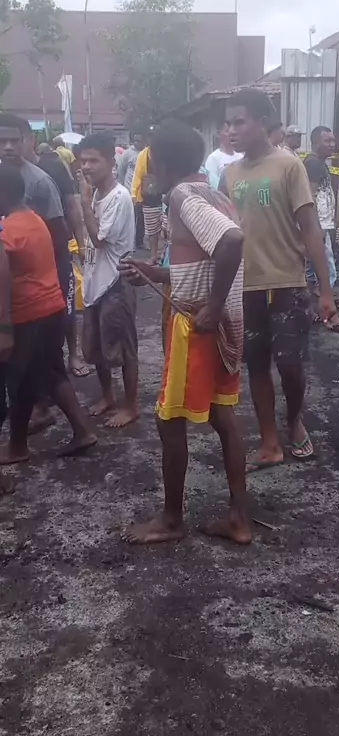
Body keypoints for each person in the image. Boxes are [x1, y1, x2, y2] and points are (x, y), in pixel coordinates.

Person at [119, 119, 250, 545]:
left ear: (160, 161)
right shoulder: (214, 194)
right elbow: (206, 258)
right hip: (225, 325)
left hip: (198, 326)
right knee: (223, 418)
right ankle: (239, 517)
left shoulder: (181, 196)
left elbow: (231, 241)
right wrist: (158, 273)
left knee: (169, 421)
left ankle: (171, 520)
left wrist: (211, 304)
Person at [220, 88, 336, 469]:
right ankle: (270, 442)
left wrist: (325, 291)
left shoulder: (289, 166)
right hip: (244, 288)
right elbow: (220, 232)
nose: (231, 130)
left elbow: (310, 228)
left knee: (290, 366)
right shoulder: (228, 174)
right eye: (228, 123)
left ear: (262, 122)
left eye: (239, 121)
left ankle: (294, 419)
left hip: (286, 284)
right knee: (256, 366)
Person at [0, 163, 96, 463]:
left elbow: (3, 278)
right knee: (49, 373)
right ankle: (82, 431)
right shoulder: (34, 219)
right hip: (52, 308)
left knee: (21, 382)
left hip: (28, 316)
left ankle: (17, 447)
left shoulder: (8, 231)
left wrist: (4, 327)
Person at [11, 117, 89, 376]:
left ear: (30, 140)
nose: (8, 147)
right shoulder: (6, 175)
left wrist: (80, 245)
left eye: (15, 140)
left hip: (54, 253)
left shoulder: (50, 170)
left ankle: (73, 355)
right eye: (2, 141)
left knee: (64, 306)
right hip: (17, 262)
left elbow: (70, 208)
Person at [78, 132, 139, 428]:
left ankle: (132, 405)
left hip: (115, 281)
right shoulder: (96, 194)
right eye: (83, 160)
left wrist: (84, 203)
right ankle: (108, 396)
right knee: (96, 346)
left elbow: (99, 239)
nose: (87, 166)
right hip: (94, 282)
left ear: (110, 161)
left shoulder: (119, 197)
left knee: (124, 348)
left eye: (94, 160)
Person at [304, 126, 339, 335]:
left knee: (313, 272)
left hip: (321, 226)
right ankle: (329, 315)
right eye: (327, 141)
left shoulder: (318, 163)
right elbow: (310, 196)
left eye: (333, 140)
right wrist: (316, 227)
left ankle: (313, 312)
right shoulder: (313, 164)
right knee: (327, 272)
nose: (332, 145)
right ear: (315, 142)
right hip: (317, 228)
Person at [131, 143, 163, 259]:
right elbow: (137, 176)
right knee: (152, 229)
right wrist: (134, 194)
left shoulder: (167, 151)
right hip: (150, 197)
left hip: (166, 195)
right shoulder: (143, 155)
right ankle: (154, 255)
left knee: (168, 229)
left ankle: (164, 255)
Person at [117, 132, 145, 248]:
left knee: (141, 218)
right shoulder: (128, 153)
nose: (137, 143)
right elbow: (121, 171)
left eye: (139, 141)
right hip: (129, 191)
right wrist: (124, 188)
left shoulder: (146, 153)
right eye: (135, 141)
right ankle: (129, 241)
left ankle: (139, 241)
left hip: (143, 191)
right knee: (131, 218)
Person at [204, 121, 243, 190]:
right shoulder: (213, 158)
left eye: (233, 131)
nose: (231, 134)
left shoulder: (240, 156)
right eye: (227, 131)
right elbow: (213, 185)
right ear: (219, 134)